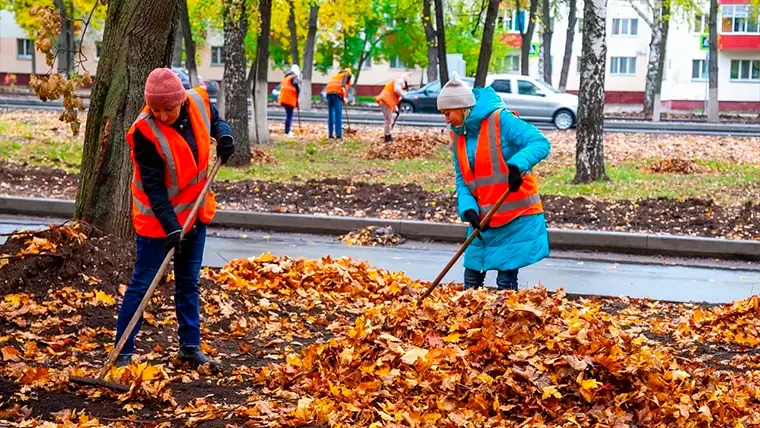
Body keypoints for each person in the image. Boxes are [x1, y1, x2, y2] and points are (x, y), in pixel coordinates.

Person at [116, 68, 235, 369]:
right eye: (156, 109)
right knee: (142, 284)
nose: (162, 115)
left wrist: (224, 135)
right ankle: (122, 354)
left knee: (188, 281)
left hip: (195, 212)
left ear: (180, 101)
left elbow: (215, 119)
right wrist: (171, 227)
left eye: (167, 109)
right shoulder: (144, 131)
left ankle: (190, 347)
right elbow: (154, 188)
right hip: (158, 221)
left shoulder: (197, 102)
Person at [437, 72, 550, 291]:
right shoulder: (458, 135)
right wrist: (468, 209)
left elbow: (539, 142)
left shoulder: (501, 119)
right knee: (471, 280)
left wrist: (517, 165)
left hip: (514, 215)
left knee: (505, 283)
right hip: (484, 218)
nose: (447, 119)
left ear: (462, 106)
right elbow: (462, 178)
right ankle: (470, 323)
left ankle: (507, 323)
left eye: (448, 113)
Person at [375, 74, 409, 142]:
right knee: (389, 120)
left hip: (386, 101)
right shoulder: (400, 81)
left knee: (388, 120)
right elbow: (397, 90)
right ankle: (387, 136)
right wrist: (405, 96)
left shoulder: (396, 83)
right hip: (385, 100)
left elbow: (394, 99)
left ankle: (387, 134)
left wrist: (396, 109)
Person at [325, 68, 352, 139]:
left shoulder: (336, 76)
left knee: (331, 114)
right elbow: (342, 86)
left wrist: (343, 98)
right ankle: (338, 135)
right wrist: (344, 98)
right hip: (337, 93)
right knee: (338, 114)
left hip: (329, 92)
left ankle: (330, 134)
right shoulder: (346, 74)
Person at [278, 64, 301, 138]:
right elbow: (295, 84)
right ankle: (287, 132)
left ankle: (287, 130)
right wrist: (298, 90)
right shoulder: (293, 77)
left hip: (284, 99)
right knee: (289, 116)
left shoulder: (286, 78)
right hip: (289, 99)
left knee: (288, 115)